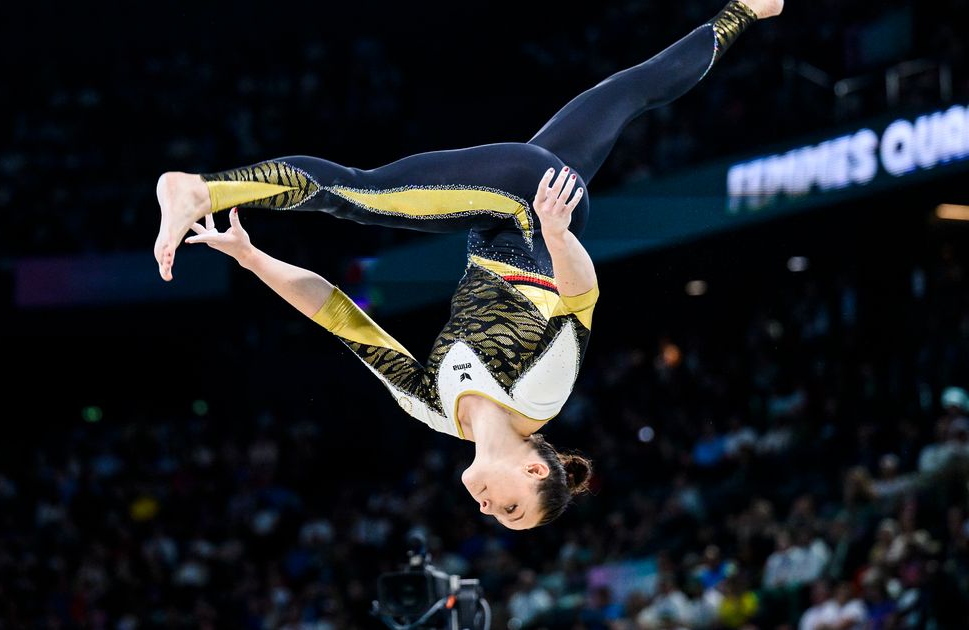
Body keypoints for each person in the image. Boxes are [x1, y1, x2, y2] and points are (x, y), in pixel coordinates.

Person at [153, 0, 783, 528]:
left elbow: (340, 317)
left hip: (509, 212)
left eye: (499, 517)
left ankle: (746, 8)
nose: (488, 511)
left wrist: (251, 256)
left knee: (627, 94)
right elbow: (580, 301)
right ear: (536, 468)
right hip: (531, 209)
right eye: (511, 508)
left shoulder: (433, 407)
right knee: (362, 197)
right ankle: (203, 188)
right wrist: (559, 236)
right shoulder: (539, 395)